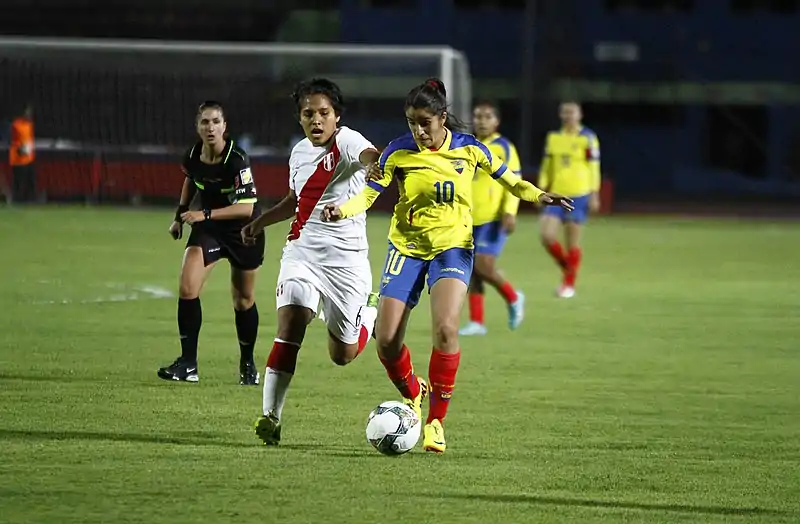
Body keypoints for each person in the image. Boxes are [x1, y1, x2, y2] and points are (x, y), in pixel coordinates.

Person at [322, 78, 573, 454]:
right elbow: (368, 195)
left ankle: (436, 421)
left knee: (445, 329)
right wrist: (341, 210)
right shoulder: (398, 152)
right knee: (387, 342)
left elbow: (511, 182)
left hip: (453, 249)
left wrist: (540, 196)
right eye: (411, 123)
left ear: (442, 118)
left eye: (425, 122)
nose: (418, 131)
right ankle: (413, 391)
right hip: (406, 248)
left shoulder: (470, 149)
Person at [242, 78, 381, 446]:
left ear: (336, 117)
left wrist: (372, 168)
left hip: (347, 263)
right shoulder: (300, 152)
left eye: (323, 113)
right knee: (291, 320)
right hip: (302, 251)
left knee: (343, 355)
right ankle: (271, 417)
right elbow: (294, 199)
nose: (316, 120)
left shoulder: (347, 141)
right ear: (299, 118)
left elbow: (371, 156)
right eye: (308, 114)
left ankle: (370, 313)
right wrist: (260, 222)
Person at [157, 101, 265, 385]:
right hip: (211, 230)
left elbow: (245, 207)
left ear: (224, 127)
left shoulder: (237, 159)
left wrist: (202, 213)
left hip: (244, 231)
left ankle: (248, 364)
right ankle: (188, 364)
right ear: (198, 127)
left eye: (216, 121)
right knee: (187, 287)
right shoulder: (193, 155)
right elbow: (191, 180)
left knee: (243, 300)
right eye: (205, 122)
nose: (210, 127)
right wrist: (179, 217)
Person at [459, 101, 525, 337]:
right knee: (472, 271)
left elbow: (514, 179)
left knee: (482, 266)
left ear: (496, 121)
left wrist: (510, 211)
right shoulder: (466, 146)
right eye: (478, 116)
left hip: (493, 218)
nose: (481, 121)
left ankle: (514, 297)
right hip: (466, 218)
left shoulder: (504, 147)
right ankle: (477, 322)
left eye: (487, 117)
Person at [537, 101, 601, 298]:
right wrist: (540, 189)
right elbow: (547, 165)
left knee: (571, 242)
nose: (568, 116)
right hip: (556, 194)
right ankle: (569, 270)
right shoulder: (554, 137)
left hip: (579, 194)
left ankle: (568, 284)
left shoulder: (588, 138)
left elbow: (594, 167)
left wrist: (594, 193)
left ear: (580, 115)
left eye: (572, 112)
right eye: (565, 112)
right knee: (547, 236)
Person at [9, 104, 35, 203]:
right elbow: (13, 141)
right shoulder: (16, 124)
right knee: (19, 180)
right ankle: (17, 199)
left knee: (29, 180)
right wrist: (21, 148)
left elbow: (30, 140)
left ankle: (29, 200)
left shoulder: (30, 125)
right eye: (27, 112)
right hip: (18, 157)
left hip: (28, 157)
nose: (29, 114)